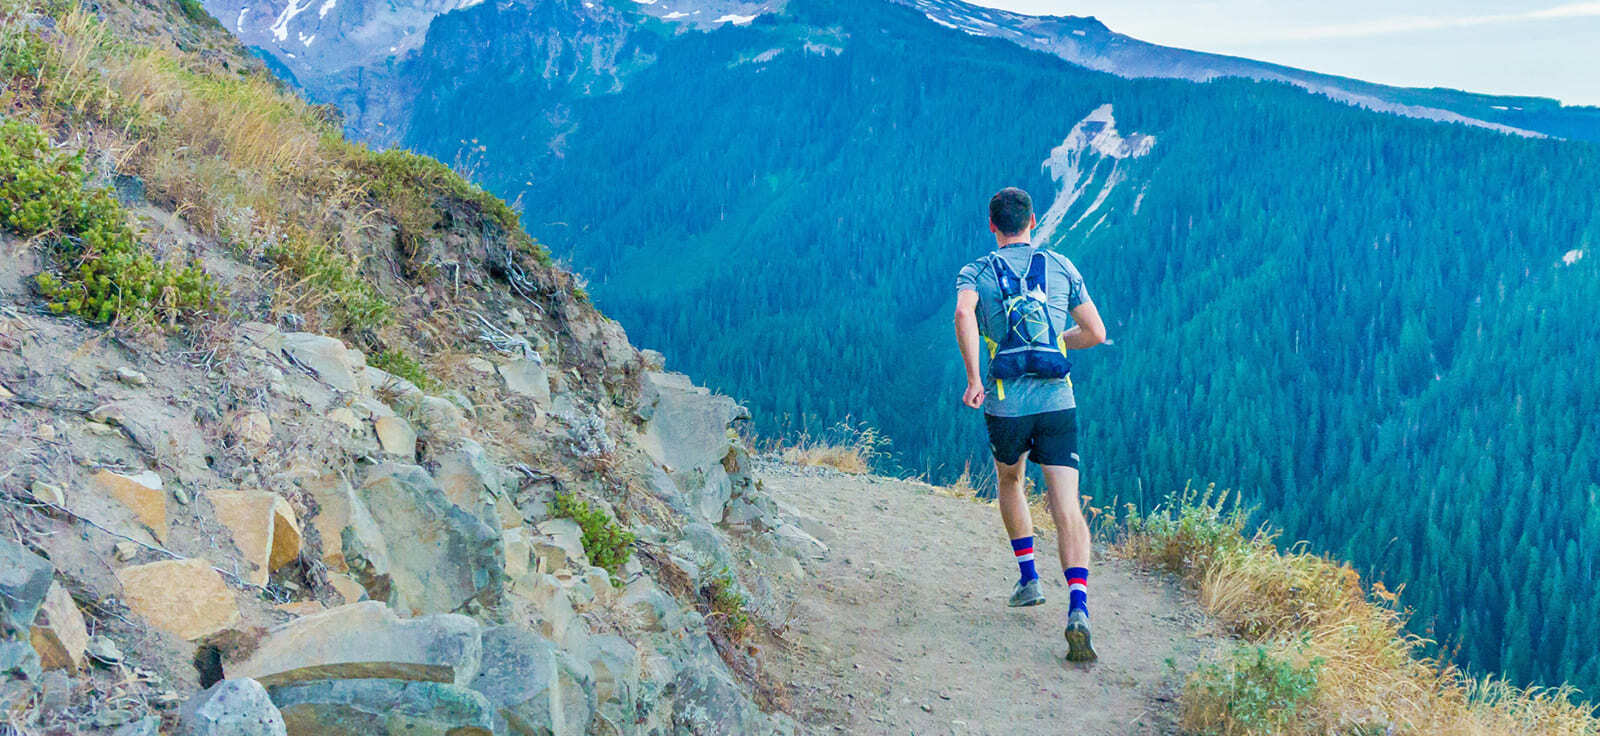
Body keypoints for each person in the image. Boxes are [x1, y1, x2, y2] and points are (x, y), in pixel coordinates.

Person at [953, 187, 1108, 662]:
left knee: (1011, 480)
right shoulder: (1062, 267)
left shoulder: (975, 270)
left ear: (992, 225)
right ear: (1034, 221)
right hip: (1058, 400)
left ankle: (1028, 578)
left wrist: (975, 378)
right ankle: (1078, 607)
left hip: (1006, 403)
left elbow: (963, 312)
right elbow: (1096, 333)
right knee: (1066, 502)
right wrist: (1057, 341)